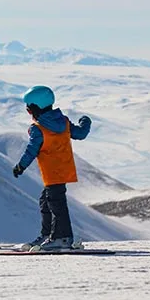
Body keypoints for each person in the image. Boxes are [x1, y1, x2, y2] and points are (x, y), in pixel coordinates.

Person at [12, 85, 91, 251]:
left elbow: (32, 149)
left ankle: (62, 238)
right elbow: (81, 134)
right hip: (63, 169)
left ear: (34, 108)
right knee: (46, 201)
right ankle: (48, 235)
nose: (28, 113)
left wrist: (21, 166)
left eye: (28, 109)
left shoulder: (38, 128)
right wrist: (85, 121)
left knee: (56, 203)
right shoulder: (64, 122)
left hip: (51, 172)